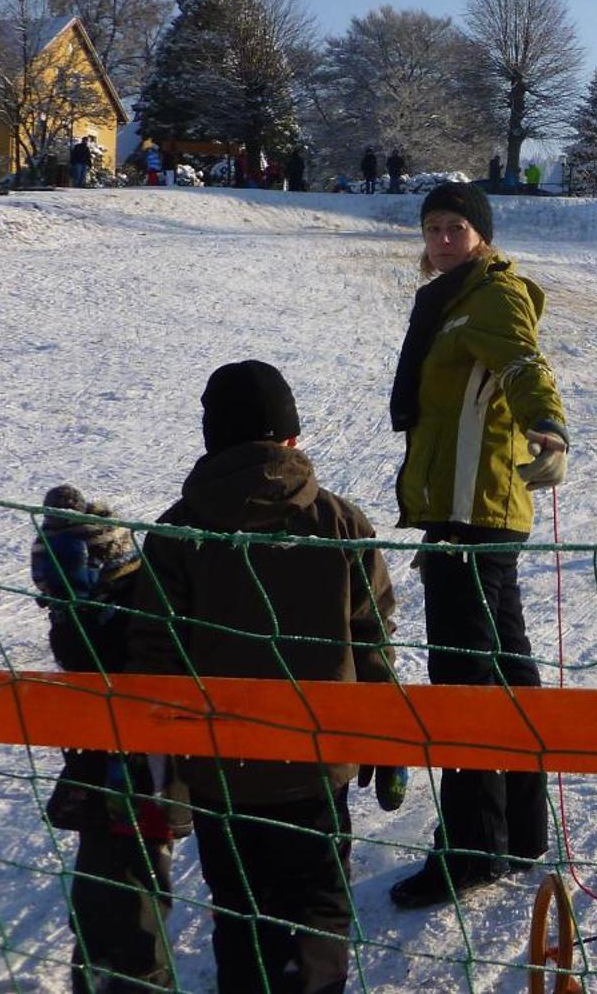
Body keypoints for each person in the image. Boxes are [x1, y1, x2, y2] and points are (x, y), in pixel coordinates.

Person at [127, 362, 398, 993]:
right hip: (317, 766)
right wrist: (384, 740)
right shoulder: (340, 523)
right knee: (318, 909)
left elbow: (156, 656)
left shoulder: (177, 534)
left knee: (243, 913)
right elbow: (372, 639)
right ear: (292, 440)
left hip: (224, 774)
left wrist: (169, 766)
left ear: (212, 440)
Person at [388, 183, 569, 910]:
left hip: (472, 515)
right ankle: (521, 830)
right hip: (476, 512)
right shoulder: (454, 298)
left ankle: (470, 850)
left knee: (465, 686)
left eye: (456, 227)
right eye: (432, 228)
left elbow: (525, 365)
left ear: (482, 235)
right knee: (506, 672)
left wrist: (549, 427)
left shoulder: (491, 295)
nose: (441, 240)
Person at [34, 485, 188, 994]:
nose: (55, 604)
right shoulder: (91, 623)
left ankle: (125, 975)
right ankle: (113, 970)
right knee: (110, 902)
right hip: (112, 771)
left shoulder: (137, 623)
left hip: (141, 775)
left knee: (126, 912)